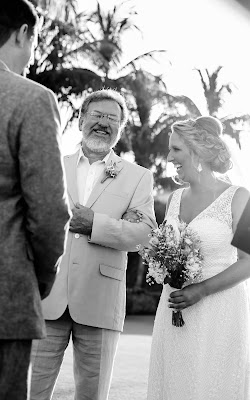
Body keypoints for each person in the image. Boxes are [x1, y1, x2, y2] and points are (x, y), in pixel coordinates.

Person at [30, 88, 157, 400]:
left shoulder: (138, 177)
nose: (104, 123)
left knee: (93, 395)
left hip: (101, 301)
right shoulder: (51, 164)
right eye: (97, 116)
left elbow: (144, 233)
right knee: (29, 391)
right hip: (45, 297)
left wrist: (95, 224)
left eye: (112, 119)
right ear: (81, 121)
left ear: (120, 129)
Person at [0, 1, 70, 399]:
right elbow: (50, 211)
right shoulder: (30, 98)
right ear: (22, 33)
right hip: (1, 298)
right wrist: (39, 279)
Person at [147, 116, 250, 400]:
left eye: (176, 150)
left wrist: (201, 290)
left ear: (197, 151)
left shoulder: (239, 197)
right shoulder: (174, 199)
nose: (169, 158)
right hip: (173, 308)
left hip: (219, 312)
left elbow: (248, 260)